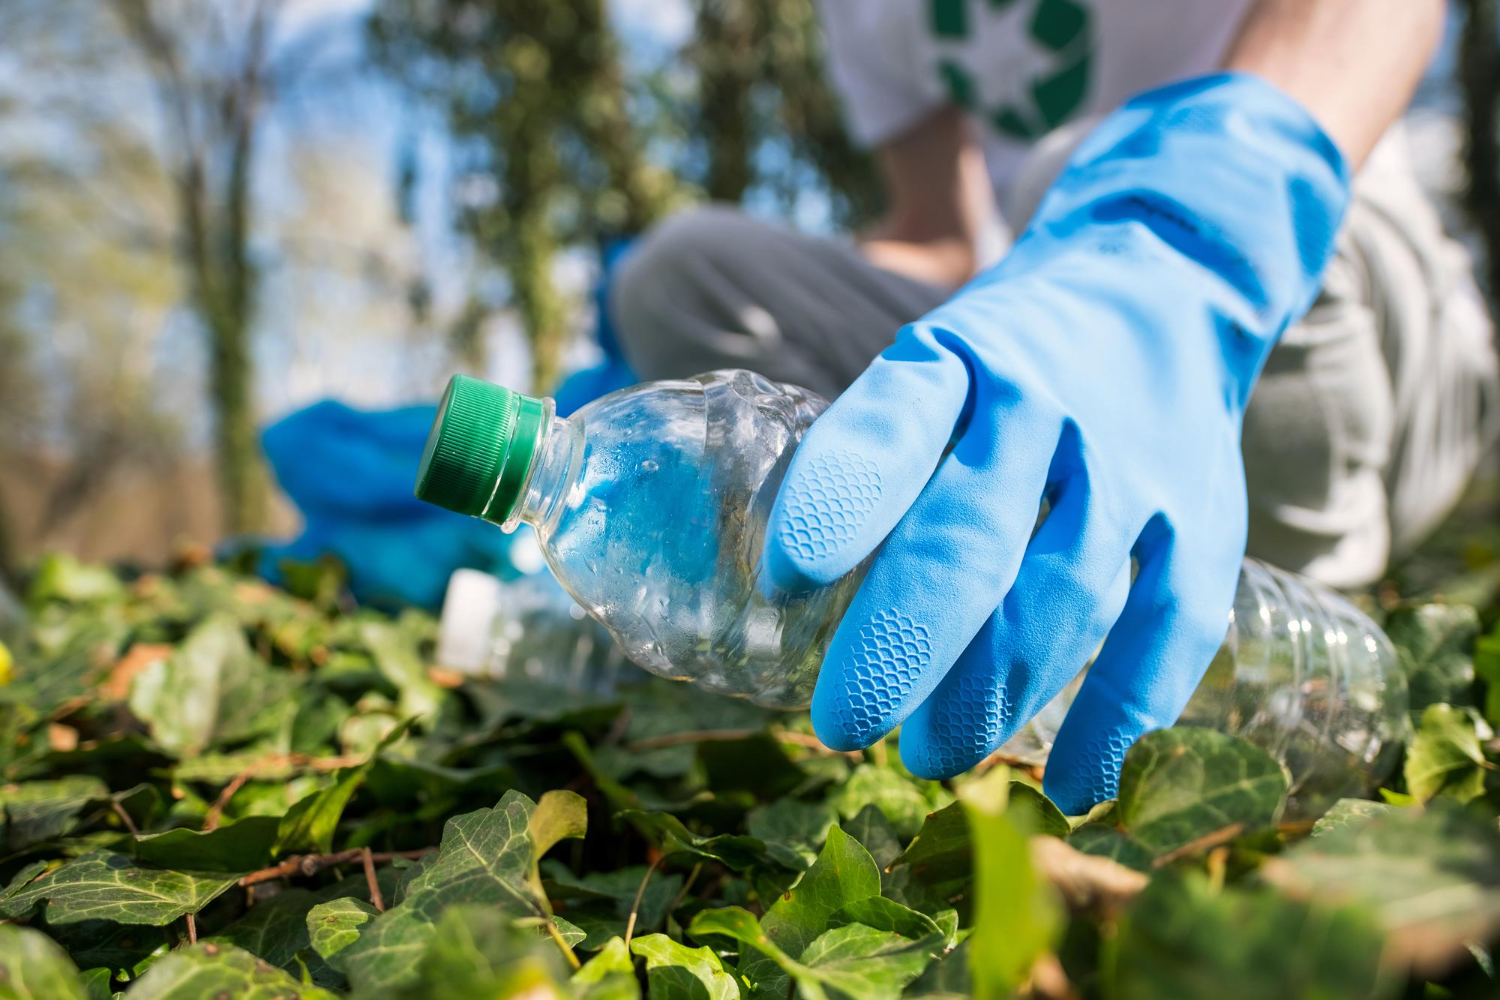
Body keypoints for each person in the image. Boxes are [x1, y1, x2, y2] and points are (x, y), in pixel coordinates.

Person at [608, 0, 1500, 812]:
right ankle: (1046, 578)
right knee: (683, 274)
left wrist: (1174, 247)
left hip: (1327, 292)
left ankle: (1285, 594)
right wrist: (687, 423)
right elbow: (938, 238)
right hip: (1060, 320)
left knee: (1061, 169)